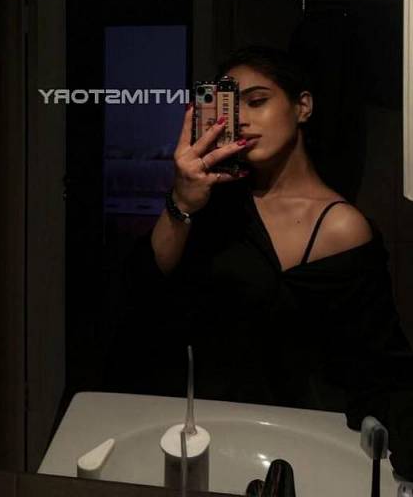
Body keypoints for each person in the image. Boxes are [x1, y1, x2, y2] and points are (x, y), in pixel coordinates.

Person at [107, 46, 413, 481]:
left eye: (257, 101)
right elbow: (141, 293)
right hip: (206, 433)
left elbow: (380, 364)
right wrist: (182, 202)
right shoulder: (215, 204)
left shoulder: (343, 227)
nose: (243, 119)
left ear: (302, 106)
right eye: (231, 108)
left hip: (308, 447)